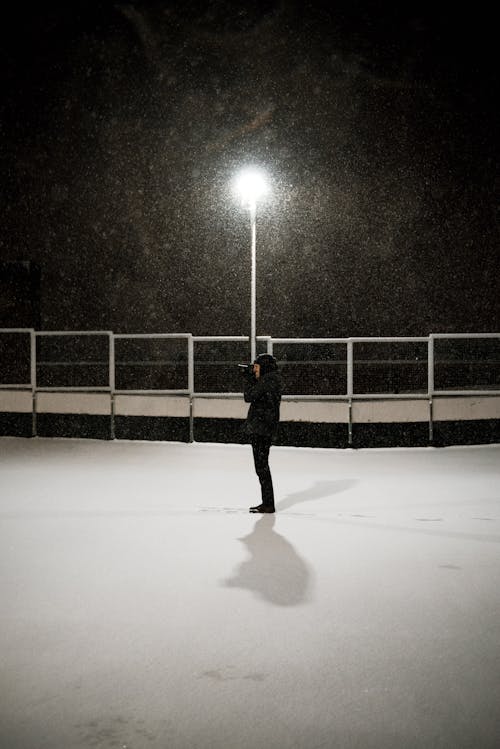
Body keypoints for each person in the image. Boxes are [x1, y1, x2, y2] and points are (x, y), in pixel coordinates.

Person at [242, 353, 282, 513]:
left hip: (262, 429)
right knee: (262, 467)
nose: (255, 371)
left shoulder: (268, 381)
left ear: (264, 368)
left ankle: (268, 504)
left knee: (261, 467)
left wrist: (247, 378)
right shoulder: (272, 380)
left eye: (257, 368)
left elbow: (249, 396)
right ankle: (267, 502)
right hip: (264, 428)